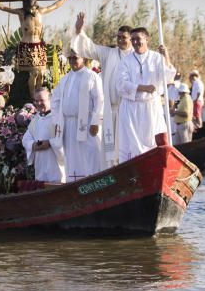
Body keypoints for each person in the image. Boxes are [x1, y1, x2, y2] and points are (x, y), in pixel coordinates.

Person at [72, 13, 134, 168]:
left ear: (131, 39)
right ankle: (111, 173)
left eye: (123, 37)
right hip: (111, 110)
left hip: (129, 109)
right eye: (118, 37)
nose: (120, 40)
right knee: (110, 149)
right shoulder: (109, 54)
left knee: (128, 146)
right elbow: (90, 48)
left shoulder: (137, 57)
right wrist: (80, 31)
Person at [0, 0, 72, 94]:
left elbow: (55, 5)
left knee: (42, 73)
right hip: (27, 47)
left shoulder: (41, 12)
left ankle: (39, 94)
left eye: (32, 6)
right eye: (27, 6)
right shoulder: (21, 13)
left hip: (38, 47)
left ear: (35, 5)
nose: (30, 9)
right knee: (34, 72)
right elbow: (3, 7)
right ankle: (33, 97)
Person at [116, 28, 176, 162]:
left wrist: (166, 56)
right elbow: (121, 84)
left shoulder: (156, 57)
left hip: (151, 107)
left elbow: (168, 77)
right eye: (133, 39)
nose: (135, 42)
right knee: (133, 146)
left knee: (154, 141)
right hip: (132, 108)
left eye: (138, 39)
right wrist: (143, 88)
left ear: (146, 39)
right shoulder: (126, 61)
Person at [51, 48, 104, 181]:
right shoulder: (65, 79)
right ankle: (74, 183)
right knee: (72, 155)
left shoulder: (92, 76)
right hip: (68, 124)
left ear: (84, 58)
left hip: (86, 123)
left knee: (90, 152)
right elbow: (55, 101)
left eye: (76, 58)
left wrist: (95, 121)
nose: (72, 61)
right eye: (70, 58)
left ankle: (93, 181)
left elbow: (100, 100)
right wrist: (57, 121)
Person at [21, 88, 66, 183]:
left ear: (50, 99)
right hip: (40, 166)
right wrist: (33, 145)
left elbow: (64, 138)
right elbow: (26, 139)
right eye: (36, 101)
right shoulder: (36, 119)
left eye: (41, 100)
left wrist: (49, 143)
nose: (38, 103)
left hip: (55, 166)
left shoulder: (57, 118)